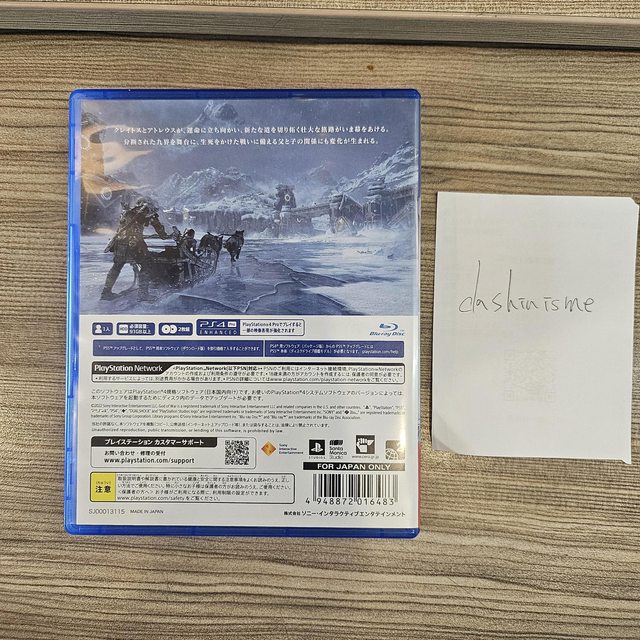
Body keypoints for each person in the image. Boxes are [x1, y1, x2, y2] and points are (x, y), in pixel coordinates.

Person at [101, 198, 170, 302]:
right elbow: (159, 228)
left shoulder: (127, 212)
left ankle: (106, 292)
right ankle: (143, 295)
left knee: (117, 266)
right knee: (147, 264)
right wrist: (165, 235)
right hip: (135, 244)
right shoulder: (147, 213)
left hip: (119, 244)